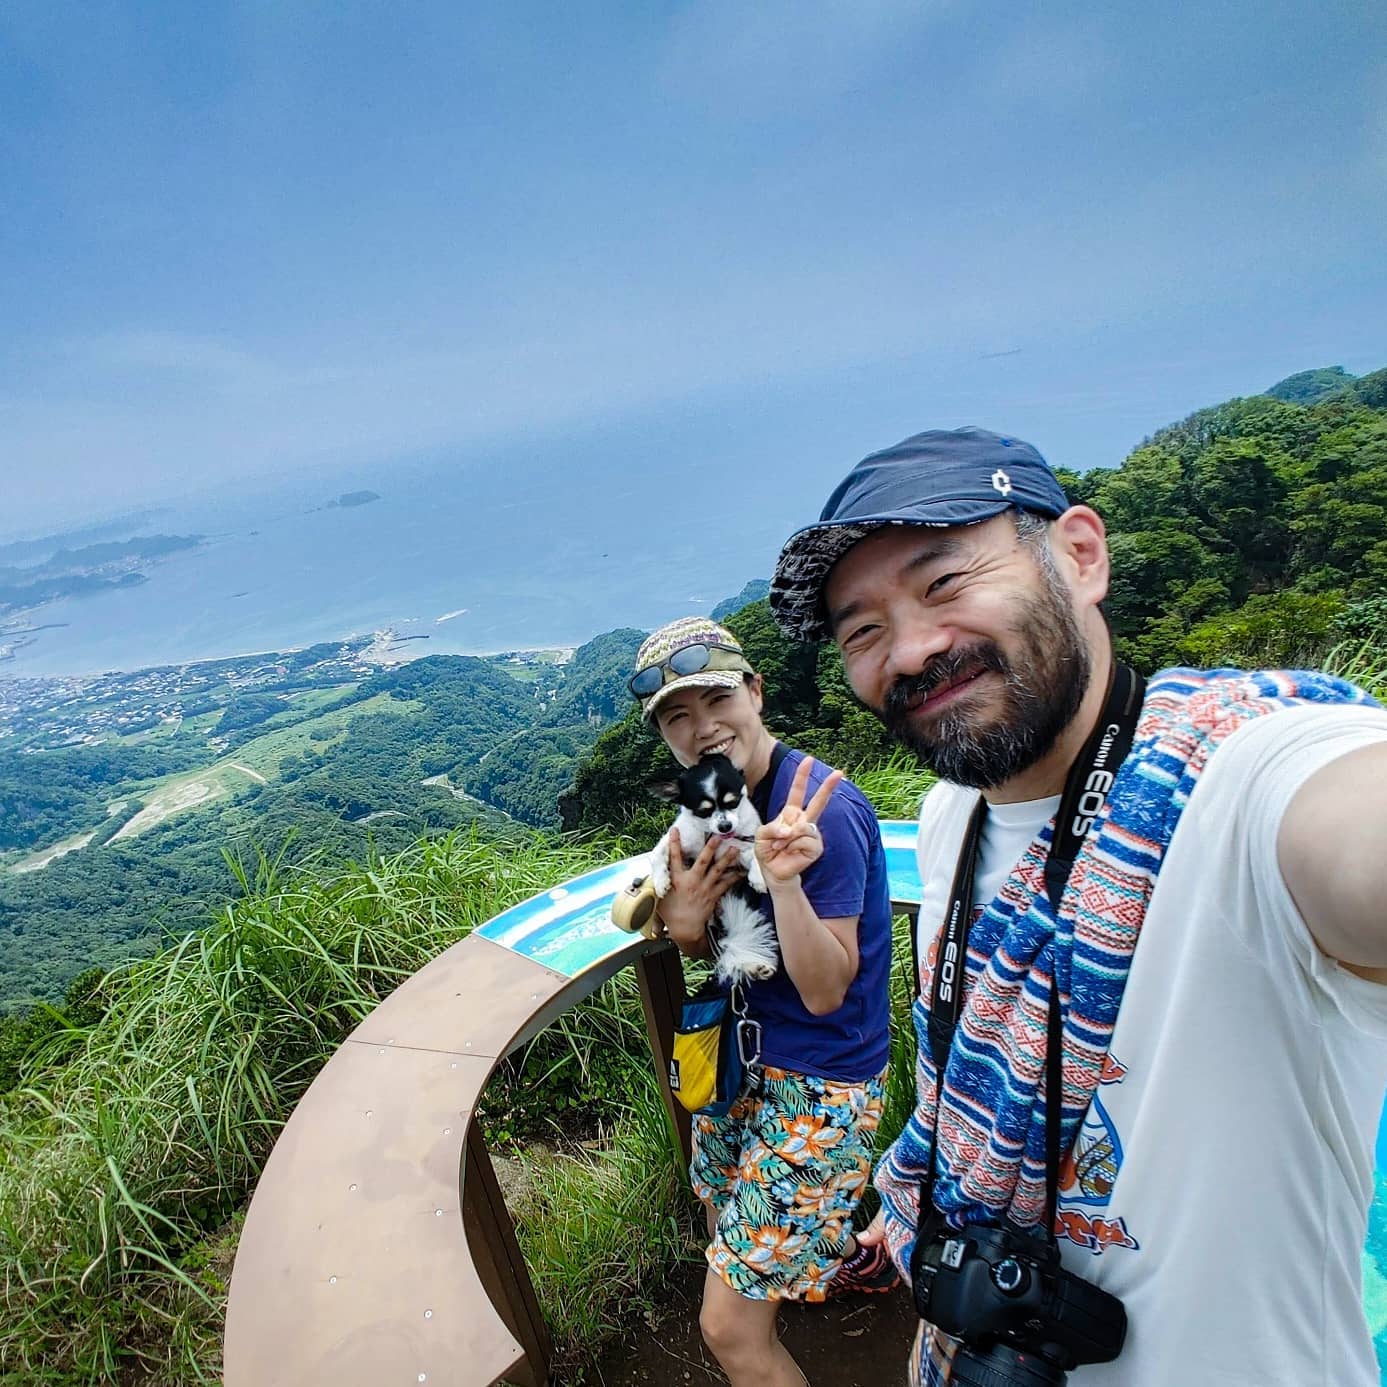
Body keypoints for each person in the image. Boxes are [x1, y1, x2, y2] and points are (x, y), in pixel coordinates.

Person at [767, 426, 1387, 1385]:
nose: (914, 650)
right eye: (863, 631)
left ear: (1080, 555)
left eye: (944, 583)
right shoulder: (949, 818)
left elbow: (1350, 827)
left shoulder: (1239, 778)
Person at [629, 616, 897, 1387]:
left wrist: (783, 880)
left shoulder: (823, 807)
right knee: (722, 1226)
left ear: (755, 690)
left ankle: (828, 1256)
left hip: (817, 1081)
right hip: (737, 1068)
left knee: (727, 1327)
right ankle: (835, 1253)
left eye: (715, 698)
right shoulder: (712, 804)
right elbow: (733, 953)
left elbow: (822, 988)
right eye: (677, 715)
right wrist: (684, 930)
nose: (701, 726)